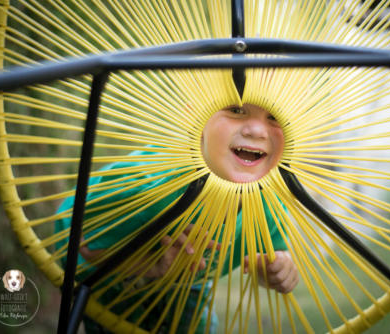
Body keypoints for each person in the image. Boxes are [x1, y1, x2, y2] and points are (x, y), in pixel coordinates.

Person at [55, 103, 299, 333]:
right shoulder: (149, 186)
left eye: (274, 117)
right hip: (108, 279)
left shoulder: (268, 202)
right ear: (199, 118)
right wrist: (152, 265)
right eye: (236, 109)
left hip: (186, 286)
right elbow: (85, 245)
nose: (256, 130)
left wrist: (278, 266)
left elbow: (271, 252)